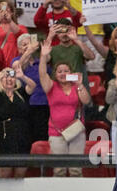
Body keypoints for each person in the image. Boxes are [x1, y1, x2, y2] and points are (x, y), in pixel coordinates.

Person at [39, 40, 91, 177]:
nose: (63, 73)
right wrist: (43, 57)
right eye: (59, 71)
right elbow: (42, 75)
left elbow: (86, 100)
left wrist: (80, 84)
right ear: (55, 74)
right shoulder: (51, 86)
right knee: (59, 170)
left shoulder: (76, 87)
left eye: (66, 71)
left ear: (71, 73)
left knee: (76, 169)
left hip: (76, 132)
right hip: (56, 134)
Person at [0, 66, 36, 178]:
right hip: (5, 136)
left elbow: (33, 86)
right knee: (5, 171)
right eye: (6, 77)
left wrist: (22, 76)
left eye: (12, 77)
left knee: (21, 172)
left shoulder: (21, 92)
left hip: (23, 135)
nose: (9, 79)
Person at [11, 33, 51, 142]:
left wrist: (50, 35)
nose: (27, 47)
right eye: (24, 45)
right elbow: (18, 67)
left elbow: (47, 56)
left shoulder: (41, 61)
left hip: (43, 103)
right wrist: (29, 51)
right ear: (19, 49)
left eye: (29, 44)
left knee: (43, 137)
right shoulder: (16, 60)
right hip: (26, 104)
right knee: (28, 136)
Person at [47, 18, 95, 90]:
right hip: (59, 88)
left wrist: (76, 39)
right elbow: (43, 60)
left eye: (67, 30)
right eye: (61, 30)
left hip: (77, 87)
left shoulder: (79, 47)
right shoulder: (52, 49)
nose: (64, 34)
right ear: (56, 33)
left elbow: (91, 56)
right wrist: (50, 37)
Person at [0, 0, 28, 68]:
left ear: (12, 12)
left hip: (15, 65)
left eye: (6, 9)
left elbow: (22, 37)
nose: (3, 12)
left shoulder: (21, 27)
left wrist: (10, 21)